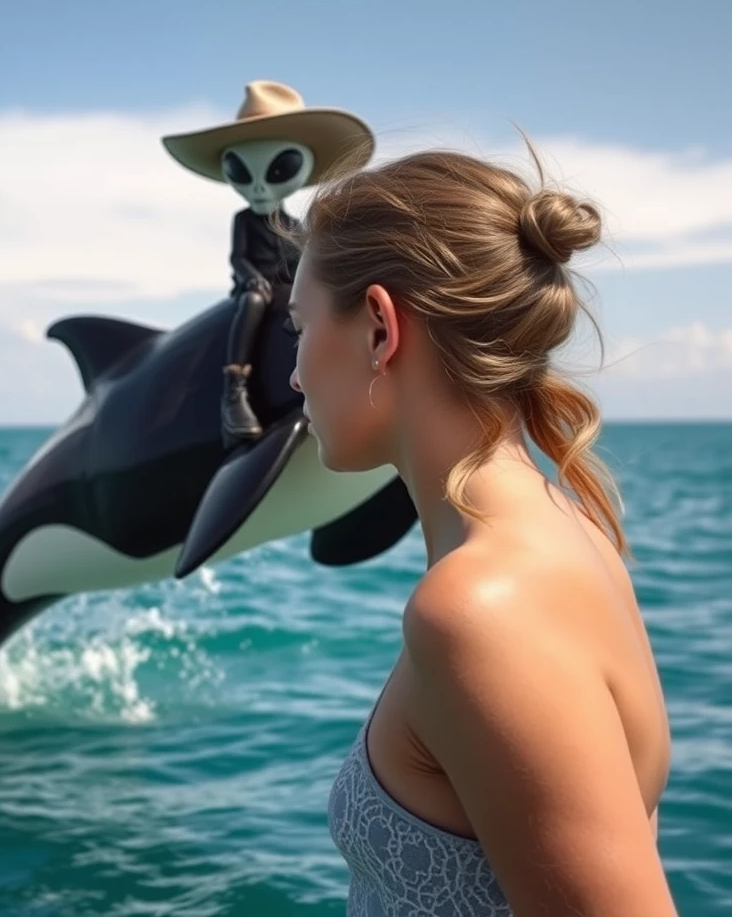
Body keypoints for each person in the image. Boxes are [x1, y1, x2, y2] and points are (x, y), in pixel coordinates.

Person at [280, 145, 677, 915]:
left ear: (378, 330)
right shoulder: (566, 528)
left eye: (297, 326)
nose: (293, 373)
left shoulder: (480, 610)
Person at [161, 80, 374, 447]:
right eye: (241, 172)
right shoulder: (244, 222)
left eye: (280, 169)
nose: (258, 188)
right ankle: (235, 387)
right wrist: (250, 278)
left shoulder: (295, 227)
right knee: (255, 302)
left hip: (286, 290)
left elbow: (302, 267)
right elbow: (239, 257)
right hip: (252, 287)